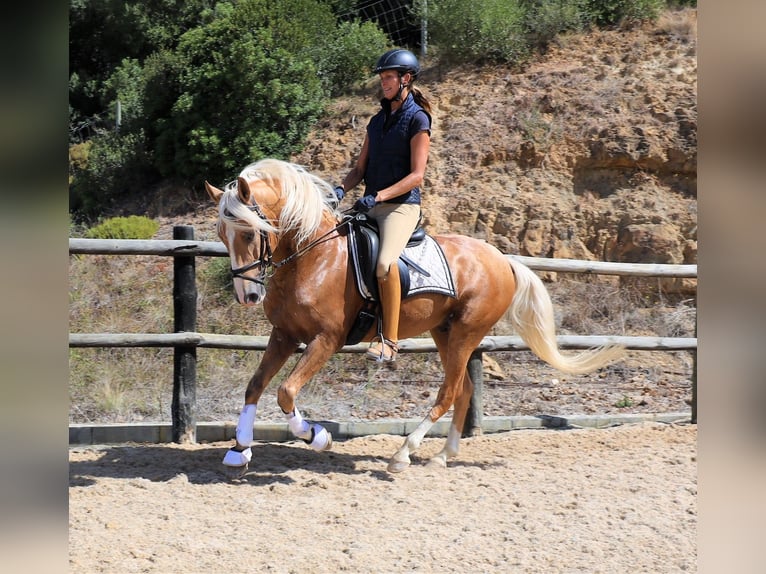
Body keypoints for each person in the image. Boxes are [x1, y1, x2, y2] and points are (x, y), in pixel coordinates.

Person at [334, 48, 433, 362]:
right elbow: (359, 169)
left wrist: (378, 196)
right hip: (369, 204)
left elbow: (417, 176)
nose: (383, 83)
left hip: (401, 207)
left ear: (405, 79)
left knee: (385, 264)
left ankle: (389, 340)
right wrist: (339, 189)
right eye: (382, 78)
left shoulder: (418, 118)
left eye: (388, 77)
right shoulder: (376, 122)